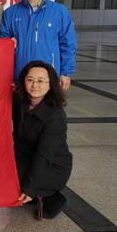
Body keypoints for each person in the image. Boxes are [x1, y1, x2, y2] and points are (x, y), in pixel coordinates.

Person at [0, 0, 76, 90]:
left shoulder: (59, 11)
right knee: (19, 103)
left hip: (48, 77)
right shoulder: (10, 13)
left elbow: (68, 44)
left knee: (48, 103)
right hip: (19, 78)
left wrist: (66, 73)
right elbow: (2, 45)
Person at [14, 60, 72, 219]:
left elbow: (44, 155)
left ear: (50, 84)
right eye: (30, 79)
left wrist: (30, 188)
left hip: (52, 166)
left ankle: (52, 197)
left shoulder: (55, 116)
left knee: (12, 178)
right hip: (26, 156)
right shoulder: (21, 101)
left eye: (41, 81)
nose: (34, 85)